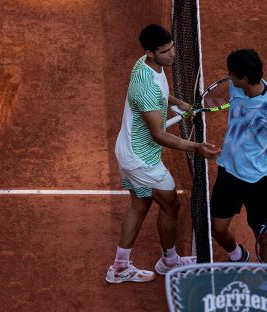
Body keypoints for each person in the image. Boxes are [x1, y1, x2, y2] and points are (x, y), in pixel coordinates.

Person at [106, 24, 220, 284]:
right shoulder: (144, 88)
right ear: (149, 52)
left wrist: (179, 103)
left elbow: (162, 95)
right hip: (141, 159)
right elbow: (159, 134)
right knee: (171, 204)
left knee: (141, 204)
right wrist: (196, 147)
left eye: (172, 48)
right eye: (165, 51)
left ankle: (120, 268)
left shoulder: (147, 65)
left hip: (129, 150)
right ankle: (169, 262)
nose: (172, 55)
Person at [210, 48, 267, 263]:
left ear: (244, 77)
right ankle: (237, 254)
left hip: (260, 181)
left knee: (264, 237)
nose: (228, 76)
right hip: (229, 171)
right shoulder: (235, 87)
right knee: (217, 228)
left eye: (231, 73)